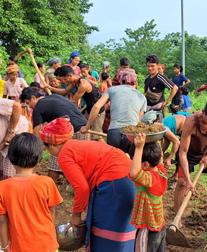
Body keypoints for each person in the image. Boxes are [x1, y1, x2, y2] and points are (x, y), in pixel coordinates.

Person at [41, 118, 137, 251]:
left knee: (105, 229)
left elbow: (82, 188)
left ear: (51, 145)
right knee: (123, 226)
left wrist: (76, 216)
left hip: (115, 183)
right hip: (131, 178)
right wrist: (85, 211)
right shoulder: (79, 144)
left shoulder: (64, 154)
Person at [0, 133, 62, 252]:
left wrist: (5, 245)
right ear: (38, 158)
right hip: (47, 244)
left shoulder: (1, 187)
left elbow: (1, 220)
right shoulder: (47, 183)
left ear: (11, 158)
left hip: (20, 246)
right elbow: (51, 211)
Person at [20, 87, 89, 182]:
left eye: (28, 103)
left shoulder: (38, 108)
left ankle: (50, 187)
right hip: (85, 129)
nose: (29, 107)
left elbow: (36, 134)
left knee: (55, 161)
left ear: (33, 97)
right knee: (78, 161)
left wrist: (35, 152)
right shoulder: (55, 97)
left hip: (70, 132)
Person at [82, 68, 147, 152]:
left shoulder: (112, 90)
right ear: (135, 81)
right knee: (130, 162)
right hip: (131, 134)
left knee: (113, 161)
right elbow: (137, 121)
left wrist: (87, 126)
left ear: (120, 79)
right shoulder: (142, 97)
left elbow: (96, 107)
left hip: (114, 133)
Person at [128, 134, 168, 252]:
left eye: (134, 159)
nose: (132, 163)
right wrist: (153, 138)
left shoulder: (149, 179)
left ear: (145, 165)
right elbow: (159, 155)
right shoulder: (160, 170)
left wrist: (139, 148)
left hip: (148, 230)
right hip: (159, 226)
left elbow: (134, 173)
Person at [55, 66, 105, 142]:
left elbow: (74, 101)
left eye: (63, 79)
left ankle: (110, 153)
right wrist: (49, 88)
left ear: (70, 76)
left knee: (97, 136)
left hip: (97, 111)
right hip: (89, 110)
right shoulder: (75, 82)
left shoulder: (83, 84)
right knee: (85, 131)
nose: (62, 82)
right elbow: (65, 91)